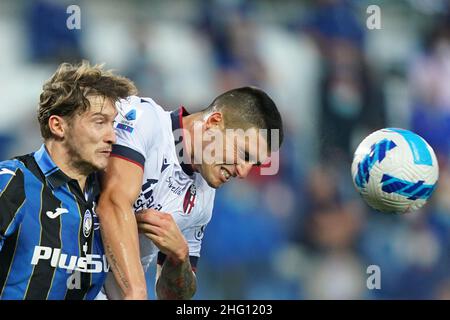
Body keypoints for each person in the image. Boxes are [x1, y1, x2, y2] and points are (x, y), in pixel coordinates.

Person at [96, 86, 283, 299]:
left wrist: (180, 256)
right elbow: (111, 205)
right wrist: (136, 293)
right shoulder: (147, 121)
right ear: (213, 123)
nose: (243, 171)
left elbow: (171, 297)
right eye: (243, 153)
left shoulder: (203, 197)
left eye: (254, 164)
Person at [0, 61, 137, 299]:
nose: (112, 137)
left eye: (113, 124)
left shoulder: (112, 198)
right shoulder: (13, 182)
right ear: (58, 126)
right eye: (99, 122)